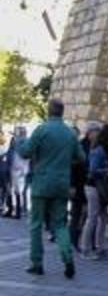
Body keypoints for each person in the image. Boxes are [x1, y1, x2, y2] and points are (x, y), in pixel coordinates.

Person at [19, 100, 85, 278]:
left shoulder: (42, 130)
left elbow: (25, 152)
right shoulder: (70, 133)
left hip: (41, 183)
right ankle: (68, 258)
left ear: (49, 111)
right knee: (60, 224)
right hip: (61, 184)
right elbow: (81, 156)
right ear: (62, 113)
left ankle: (37, 263)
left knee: (36, 224)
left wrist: (20, 141)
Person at [81, 124, 108, 260]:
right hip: (94, 187)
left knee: (102, 218)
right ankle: (86, 248)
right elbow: (93, 171)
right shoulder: (100, 150)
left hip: (97, 187)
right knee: (93, 217)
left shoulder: (100, 149)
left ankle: (100, 247)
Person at [69, 123, 99, 252]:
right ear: (89, 132)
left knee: (90, 215)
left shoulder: (96, 146)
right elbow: (73, 167)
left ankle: (90, 242)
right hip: (79, 183)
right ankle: (73, 240)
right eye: (96, 131)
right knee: (76, 213)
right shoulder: (80, 145)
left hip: (89, 184)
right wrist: (71, 185)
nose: (98, 134)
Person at [8, 126, 29, 220]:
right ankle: (17, 210)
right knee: (17, 191)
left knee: (17, 191)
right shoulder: (24, 141)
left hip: (18, 169)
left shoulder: (20, 142)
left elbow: (20, 156)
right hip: (21, 169)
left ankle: (18, 212)